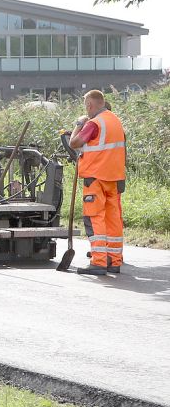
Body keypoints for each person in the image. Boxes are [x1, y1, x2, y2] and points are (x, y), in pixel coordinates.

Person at [69, 89, 126, 275]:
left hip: (96, 178)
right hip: (115, 177)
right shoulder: (115, 120)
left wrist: (79, 123)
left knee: (95, 217)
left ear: (89, 105)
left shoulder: (94, 124)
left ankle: (99, 262)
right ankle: (114, 260)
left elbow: (74, 143)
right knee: (113, 218)